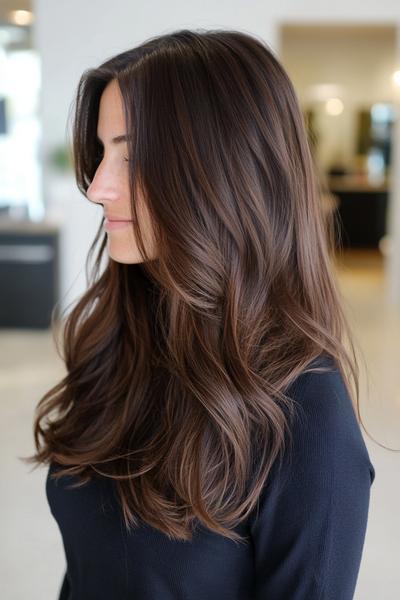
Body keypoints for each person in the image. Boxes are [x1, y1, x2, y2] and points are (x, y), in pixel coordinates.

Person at [25, 28, 375, 599]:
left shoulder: (308, 417)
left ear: (221, 172)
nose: (96, 187)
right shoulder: (125, 340)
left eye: (131, 156)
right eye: (102, 151)